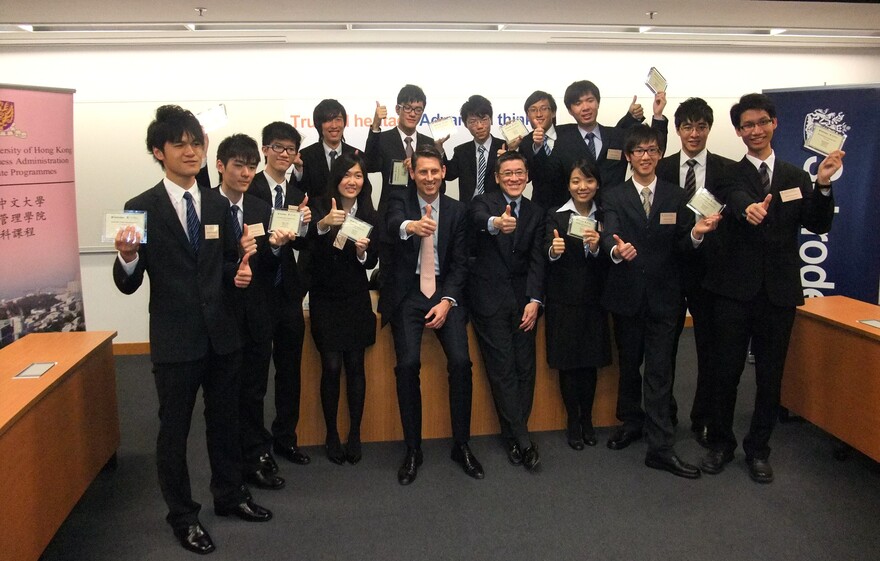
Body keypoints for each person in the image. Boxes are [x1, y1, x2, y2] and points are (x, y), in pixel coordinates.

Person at [113, 106, 271, 555]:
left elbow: (220, 266)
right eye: (180, 144)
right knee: (174, 431)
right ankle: (182, 516)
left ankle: (229, 495)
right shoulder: (140, 207)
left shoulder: (219, 203)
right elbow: (128, 282)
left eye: (196, 143)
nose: (190, 152)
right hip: (175, 338)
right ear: (158, 152)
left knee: (225, 422)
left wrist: (237, 272)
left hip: (222, 334)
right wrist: (126, 256)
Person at [700, 93, 844, 483]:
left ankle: (759, 449)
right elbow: (733, 196)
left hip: (778, 294)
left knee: (770, 376)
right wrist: (748, 207)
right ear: (738, 131)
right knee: (724, 372)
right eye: (747, 125)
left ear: (774, 124)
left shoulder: (797, 176)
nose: (755, 130)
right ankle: (720, 443)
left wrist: (824, 184)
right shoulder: (726, 172)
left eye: (762, 122)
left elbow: (817, 224)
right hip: (732, 291)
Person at [600, 125, 721, 479]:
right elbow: (608, 231)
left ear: (658, 154)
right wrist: (616, 250)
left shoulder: (673, 195)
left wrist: (696, 235)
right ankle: (631, 422)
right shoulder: (614, 195)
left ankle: (660, 445)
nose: (645, 156)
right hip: (626, 295)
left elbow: (682, 244)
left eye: (652, 150)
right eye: (638, 151)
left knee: (659, 371)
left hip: (666, 298)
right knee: (628, 366)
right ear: (628, 157)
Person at [378, 144, 482, 485]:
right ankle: (413, 449)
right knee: (407, 365)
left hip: (443, 293)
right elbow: (392, 223)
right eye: (423, 172)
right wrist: (411, 226)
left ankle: (461, 445)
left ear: (443, 172)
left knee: (461, 364)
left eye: (435, 171)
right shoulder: (398, 201)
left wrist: (447, 299)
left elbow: (461, 262)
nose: (429, 178)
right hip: (408, 294)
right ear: (413, 173)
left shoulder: (457, 210)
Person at [214, 133, 294, 492]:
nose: (246, 173)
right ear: (220, 166)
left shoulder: (262, 209)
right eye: (238, 165)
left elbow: (264, 266)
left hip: (258, 314)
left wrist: (275, 249)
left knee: (254, 390)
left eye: (250, 166)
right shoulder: (205, 208)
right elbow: (202, 265)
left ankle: (256, 455)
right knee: (224, 397)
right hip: (221, 317)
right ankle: (233, 464)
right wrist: (234, 260)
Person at [655, 97, 735, 445]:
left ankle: (703, 416)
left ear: (709, 129)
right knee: (664, 348)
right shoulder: (662, 167)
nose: (694, 133)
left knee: (709, 349)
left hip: (711, 272)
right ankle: (665, 412)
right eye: (687, 126)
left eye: (700, 126)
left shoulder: (728, 170)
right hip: (669, 270)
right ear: (677, 130)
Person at [467, 151, 545, 471]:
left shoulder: (538, 212)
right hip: (489, 299)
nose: (514, 178)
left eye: (519, 173)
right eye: (507, 173)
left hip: (524, 301)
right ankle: (523, 442)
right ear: (497, 177)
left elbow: (539, 260)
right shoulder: (483, 202)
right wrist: (497, 223)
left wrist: (535, 300)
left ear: (527, 177)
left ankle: (514, 435)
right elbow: (478, 221)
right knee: (502, 370)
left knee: (525, 369)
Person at [248, 121, 314, 468]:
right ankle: (257, 447)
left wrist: (304, 223)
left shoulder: (294, 194)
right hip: (257, 295)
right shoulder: (250, 187)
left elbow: (301, 243)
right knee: (256, 376)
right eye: (278, 148)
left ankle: (285, 438)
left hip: (288, 293)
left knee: (290, 372)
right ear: (265, 150)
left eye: (290, 150)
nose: (284, 155)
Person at [307, 152, 378, 465]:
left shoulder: (369, 213)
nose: (353, 181)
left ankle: (356, 433)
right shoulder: (321, 205)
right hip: (325, 295)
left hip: (355, 296)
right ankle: (331, 433)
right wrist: (324, 225)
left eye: (359, 176)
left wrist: (363, 254)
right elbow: (305, 245)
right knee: (331, 366)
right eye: (347, 175)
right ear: (337, 178)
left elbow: (373, 262)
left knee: (355, 366)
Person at [543, 159, 611, 450]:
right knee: (568, 365)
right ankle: (573, 420)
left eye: (588, 181)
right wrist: (554, 251)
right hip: (563, 302)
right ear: (568, 185)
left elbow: (612, 262)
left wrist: (598, 248)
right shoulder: (555, 217)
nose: (582, 187)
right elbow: (545, 255)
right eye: (575, 181)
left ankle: (588, 420)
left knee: (590, 364)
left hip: (594, 301)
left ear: (597, 184)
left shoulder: (607, 216)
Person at [541, 80, 668, 208]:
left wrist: (657, 115)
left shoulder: (618, 136)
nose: (585, 107)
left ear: (598, 103)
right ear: (570, 110)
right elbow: (549, 180)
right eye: (578, 103)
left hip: (615, 212)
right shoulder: (561, 140)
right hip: (577, 216)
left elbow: (654, 148)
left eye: (590, 100)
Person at [364, 84, 438, 215]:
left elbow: (439, 184)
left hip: (421, 211)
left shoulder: (429, 143)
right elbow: (370, 165)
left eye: (418, 110)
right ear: (398, 109)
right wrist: (375, 125)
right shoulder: (382, 138)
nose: (412, 114)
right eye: (408, 108)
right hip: (390, 211)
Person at [443, 94, 506, 201]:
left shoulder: (504, 147)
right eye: (473, 122)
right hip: (468, 209)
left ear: (491, 120)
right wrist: (439, 147)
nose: (480, 126)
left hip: (497, 208)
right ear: (465, 124)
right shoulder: (461, 151)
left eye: (484, 119)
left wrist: (509, 157)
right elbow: (448, 174)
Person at [298, 99, 360, 197]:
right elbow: (296, 192)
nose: (334, 125)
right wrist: (298, 170)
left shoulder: (354, 154)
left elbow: (364, 192)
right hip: (316, 212)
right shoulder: (306, 155)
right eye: (328, 120)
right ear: (319, 125)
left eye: (338, 119)